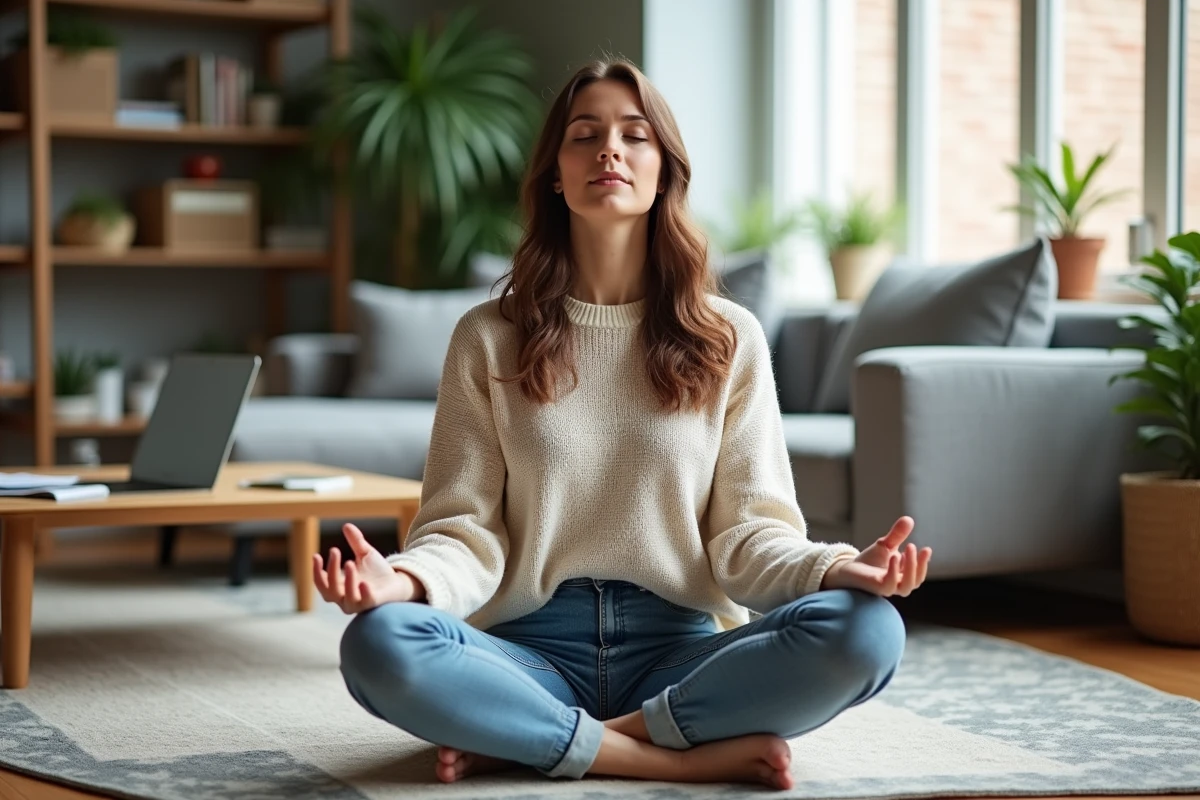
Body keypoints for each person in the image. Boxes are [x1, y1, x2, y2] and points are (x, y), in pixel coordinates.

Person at [313, 58, 932, 791]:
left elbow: (748, 535)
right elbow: (466, 531)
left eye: (635, 136)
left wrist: (832, 568)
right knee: (380, 643)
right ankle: (676, 755)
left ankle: (536, 740)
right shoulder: (487, 336)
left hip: (680, 650)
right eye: (585, 135)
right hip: (527, 652)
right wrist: (406, 580)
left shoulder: (728, 337)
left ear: (665, 171)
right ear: (555, 173)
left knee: (868, 631)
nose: (610, 149)